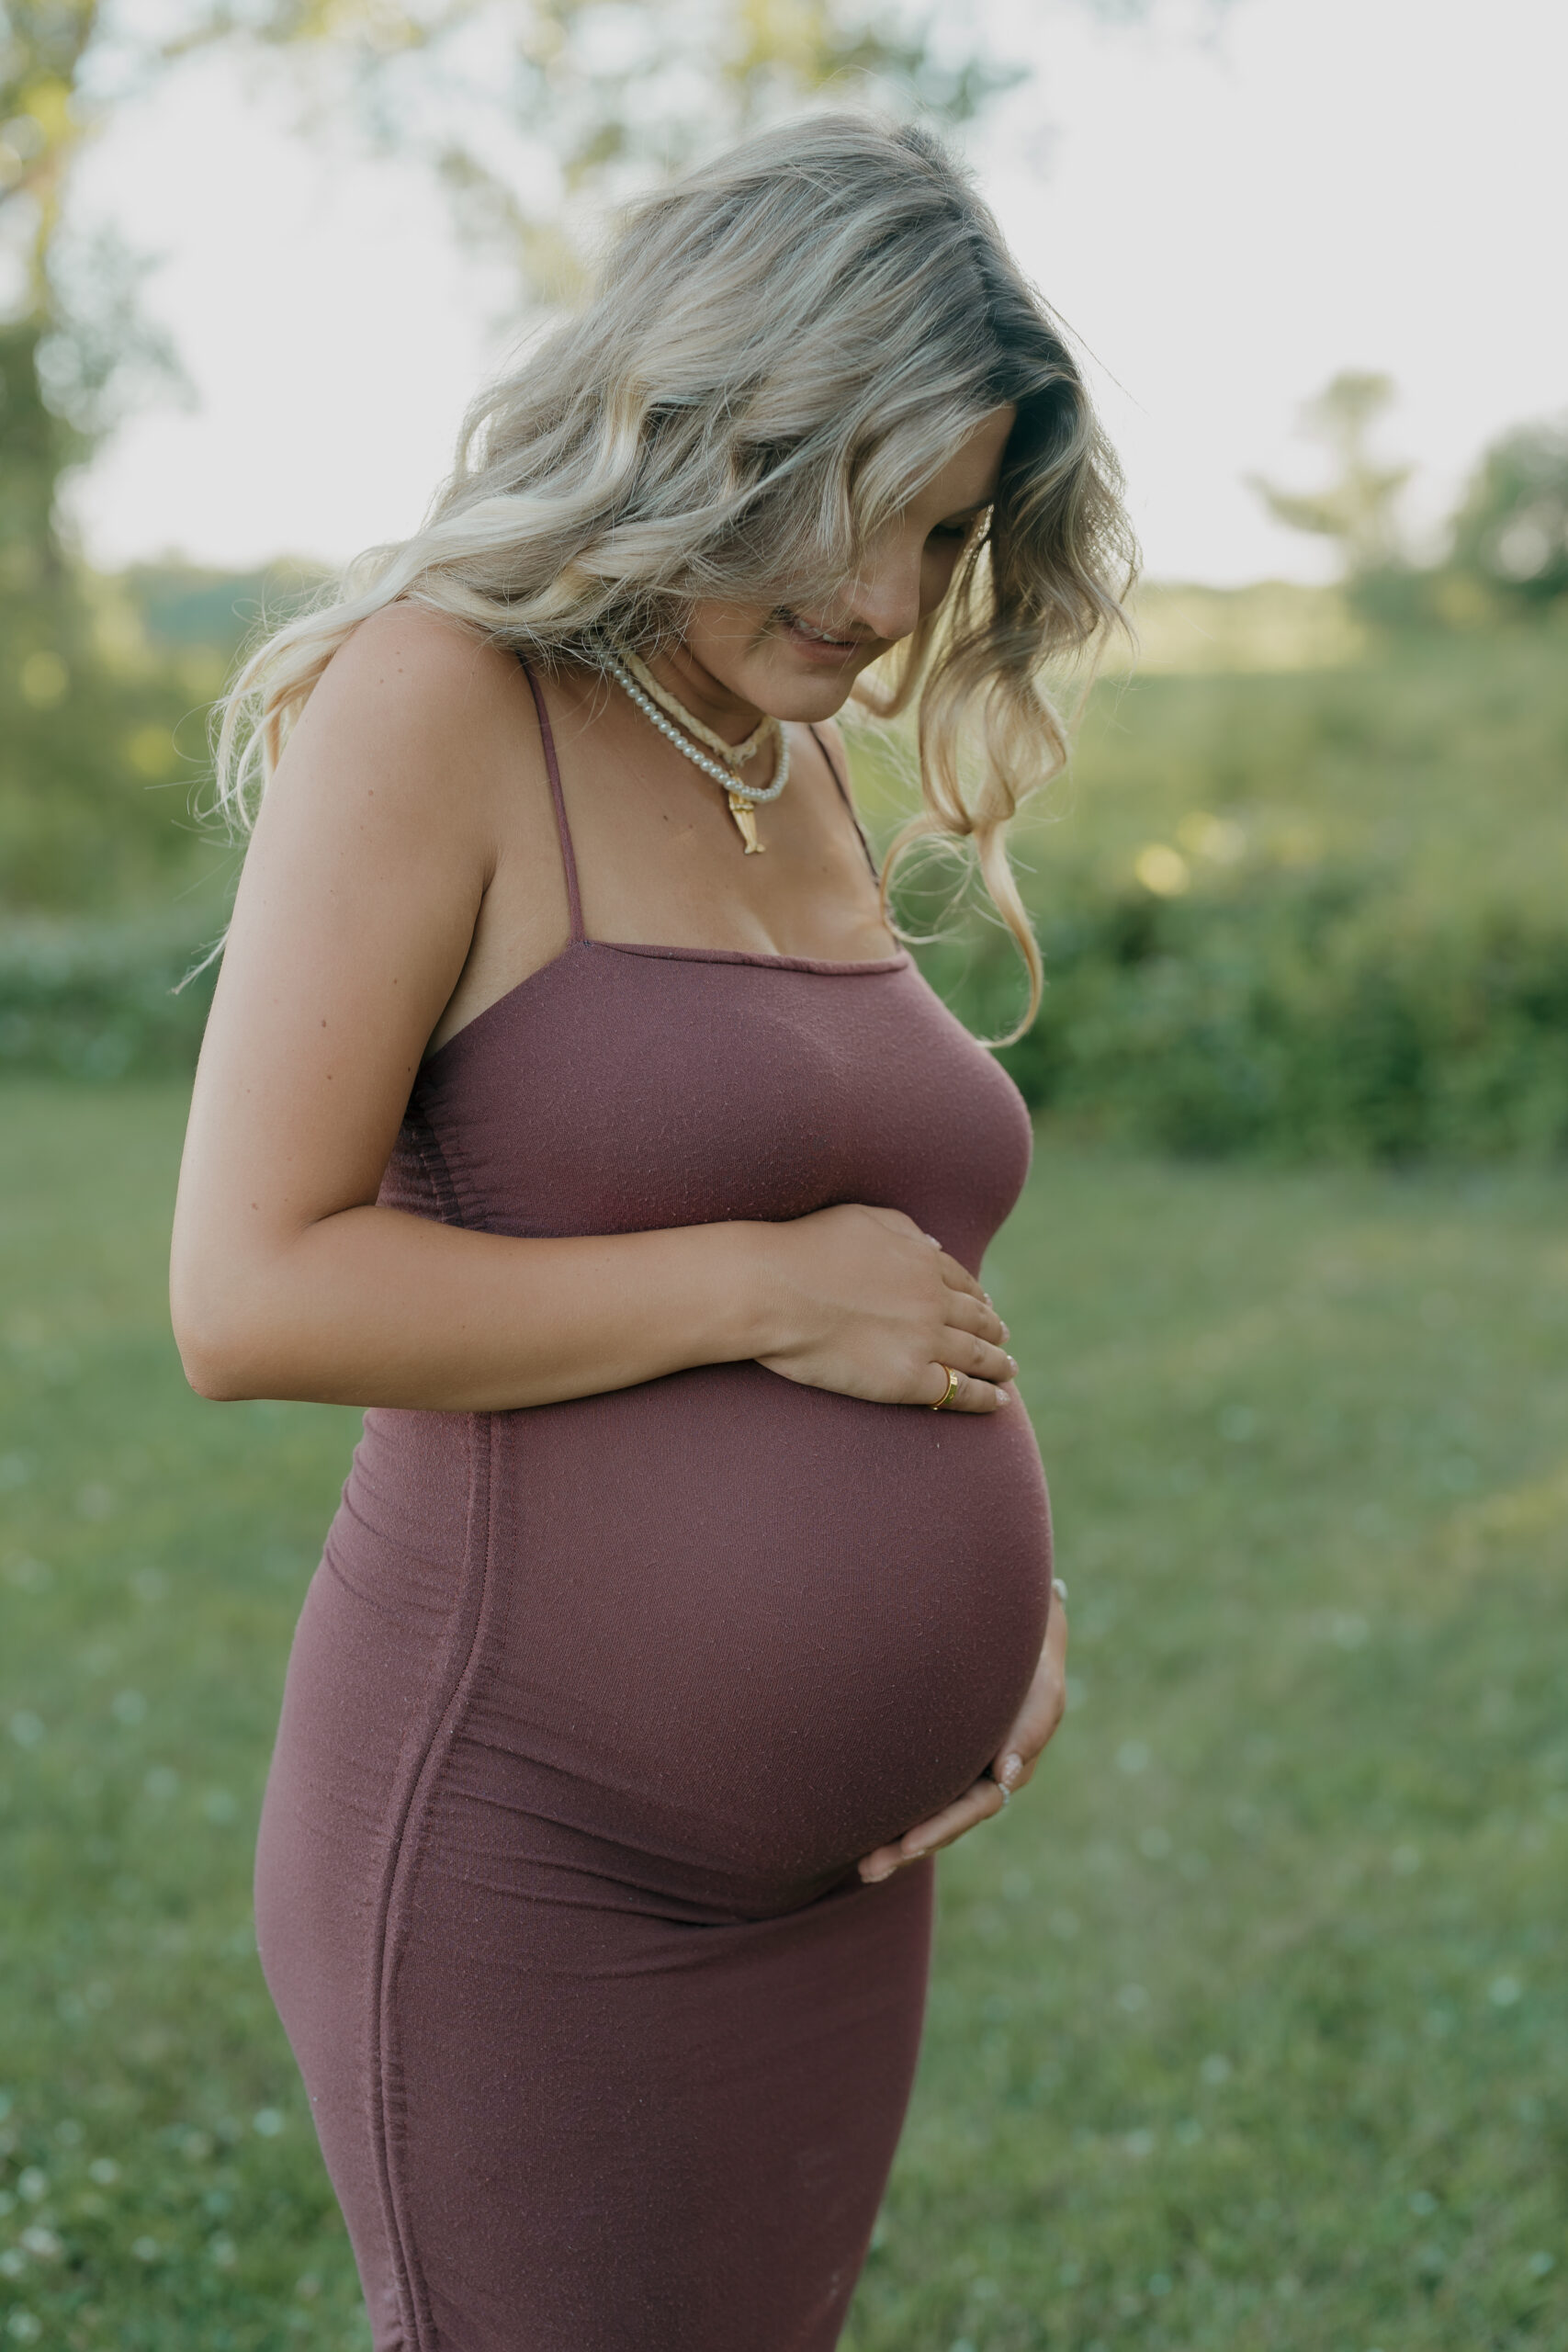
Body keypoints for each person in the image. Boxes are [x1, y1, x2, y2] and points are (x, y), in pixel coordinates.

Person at [170, 109, 1133, 2352]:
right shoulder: (439, 699)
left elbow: (894, 1251)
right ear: (713, 418)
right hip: (526, 1844)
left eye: (946, 528)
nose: (895, 605)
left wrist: (998, 1609)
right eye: (865, 510)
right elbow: (250, 1286)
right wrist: (753, 1285)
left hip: (834, 1870)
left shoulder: (776, 752)